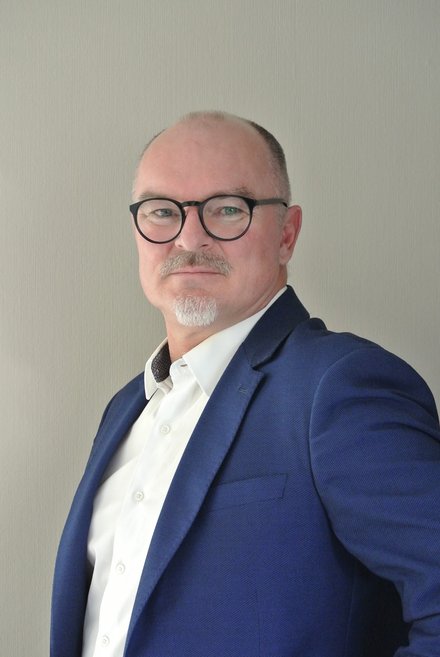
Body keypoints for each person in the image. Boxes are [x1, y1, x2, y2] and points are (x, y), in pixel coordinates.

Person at [51, 111, 440, 657]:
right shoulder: (125, 410)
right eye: (162, 211)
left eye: (228, 209)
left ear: (287, 234)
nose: (190, 237)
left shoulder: (339, 387)